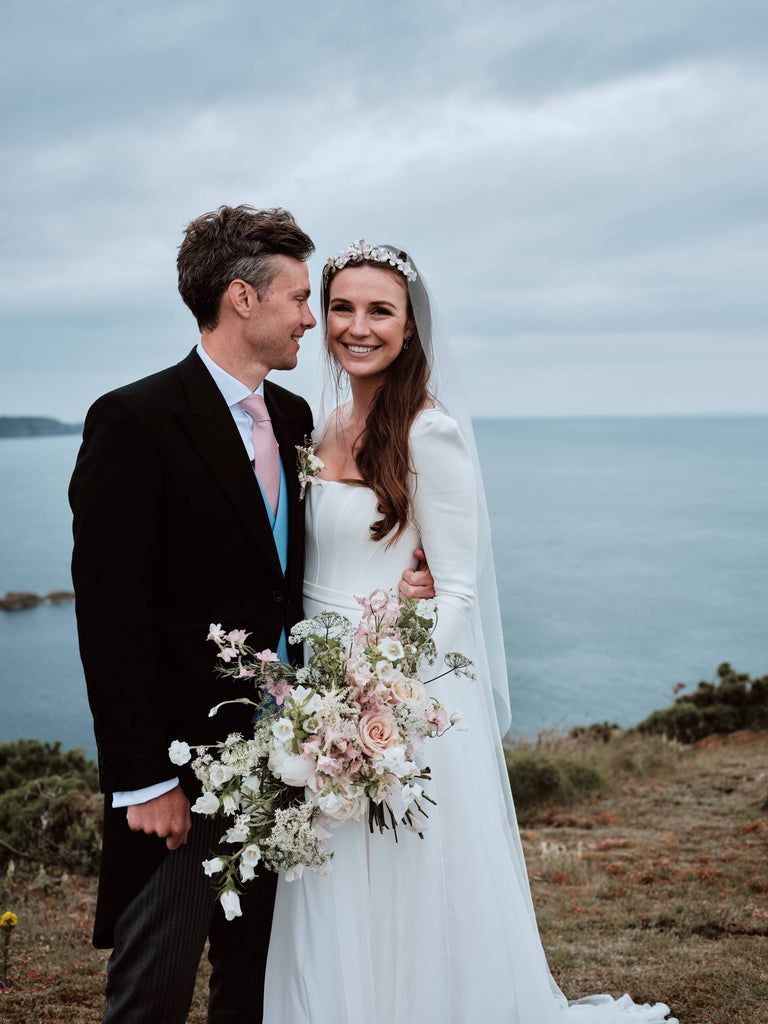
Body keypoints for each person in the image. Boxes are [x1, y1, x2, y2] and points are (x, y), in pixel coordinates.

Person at [263, 241, 679, 1024]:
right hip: (317, 677)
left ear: (412, 327)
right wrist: (323, 693)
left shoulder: (429, 433)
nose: (358, 326)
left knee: (406, 878)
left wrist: (379, 692)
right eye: (343, 307)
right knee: (328, 873)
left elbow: (453, 586)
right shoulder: (322, 425)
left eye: (380, 310)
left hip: (395, 695)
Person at [69, 207, 431, 1024]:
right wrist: (146, 781)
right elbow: (111, 618)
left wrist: (414, 572)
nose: (316, 318)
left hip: (293, 757)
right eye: (302, 299)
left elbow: (303, 569)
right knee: (153, 987)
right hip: (184, 774)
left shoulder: (298, 418)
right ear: (242, 298)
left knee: (261, 983)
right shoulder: (134, 421)